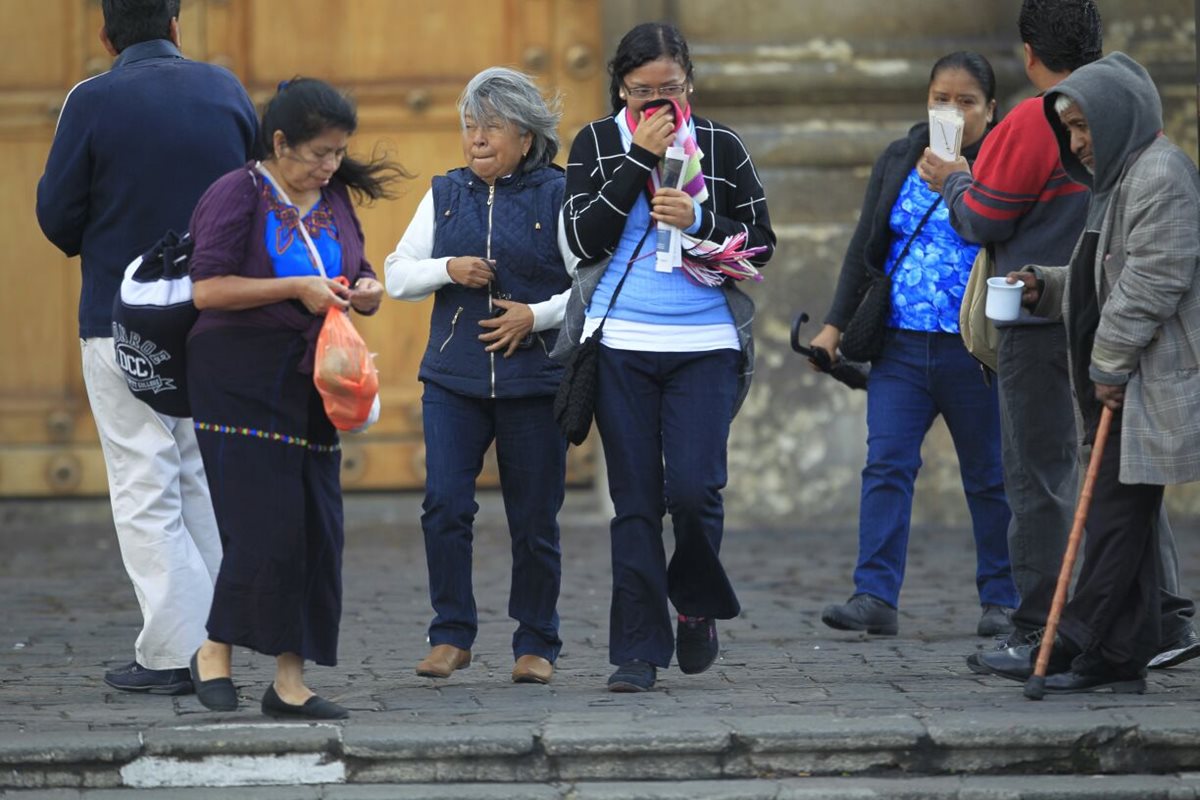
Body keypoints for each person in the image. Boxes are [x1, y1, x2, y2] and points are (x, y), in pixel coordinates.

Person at [916, 0, 1199, 668]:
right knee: (1119, 476)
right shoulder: (1118, 131)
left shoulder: (1040, 118)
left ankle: (1044, 625)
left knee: (1044, 477)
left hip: (1057, 333)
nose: (1076, 141)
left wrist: (955, 183)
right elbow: (1102, 257)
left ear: (1028, 53)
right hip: (1076, 311)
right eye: (1070, 131)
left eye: (1078, 131)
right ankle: (1158, 618)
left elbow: (986, 217)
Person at [35, 0, 257, 695]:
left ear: (106, 35)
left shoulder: (92, 98)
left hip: (120, 317)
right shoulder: (224, 88)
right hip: (210, 313)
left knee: (143, 482)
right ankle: (217, 645)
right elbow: (252, 189)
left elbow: (55, 214)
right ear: (174, 26)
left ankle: (172, 654)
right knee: (199, 477)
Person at [557, 22, 775, 692]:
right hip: (622, 342)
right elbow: (581, 238)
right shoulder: (596, 143)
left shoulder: (718, 144)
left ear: (690, 84)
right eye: (642, 91)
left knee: (693, 488)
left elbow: (762, 243)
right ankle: (637, 651)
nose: (658, 105)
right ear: (620, 87)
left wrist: (701, 222)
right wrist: (632, 162)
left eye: (671, 90)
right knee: (635, 501)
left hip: (704, 343)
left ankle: (696, 601)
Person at [185, 78, 406, 718]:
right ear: (279, 142)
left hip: (311, 380)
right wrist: (296, 290)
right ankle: (214, 651)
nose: (329, 166)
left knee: (316, 529)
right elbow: (208, 290)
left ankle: (289, 682)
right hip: (239, 378)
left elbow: (356, 269)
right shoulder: (238, 192)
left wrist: (364, 290)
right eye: (318, 153)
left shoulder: (334, 197)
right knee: (265, 526)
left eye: (338, 153)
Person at [811, 53, 1018, 638]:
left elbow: (1001, 229)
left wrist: (958, 178)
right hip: (900, 346)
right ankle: (874, 595)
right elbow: (864, 249)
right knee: (886, 465)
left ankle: (1002, 599)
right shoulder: (900, 157)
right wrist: (832, 326)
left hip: (974, 349)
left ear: (991, 110)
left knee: (988, 474)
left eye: (966, 101)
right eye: (940, 99)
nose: (950, 111)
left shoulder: (1003, 165)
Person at [384, 67, 577, 686]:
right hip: (452, 379)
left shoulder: (560, 194)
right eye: (470, 126)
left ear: (527, 136)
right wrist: (448, 267)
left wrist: (534, 315)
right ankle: (451, 635)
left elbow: (592, 289)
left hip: (534, 381)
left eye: (492, 126)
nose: (477, 139)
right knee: (443, 504)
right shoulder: (445, 193)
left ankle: (536, 642)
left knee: (534, 517)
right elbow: (396, 274)